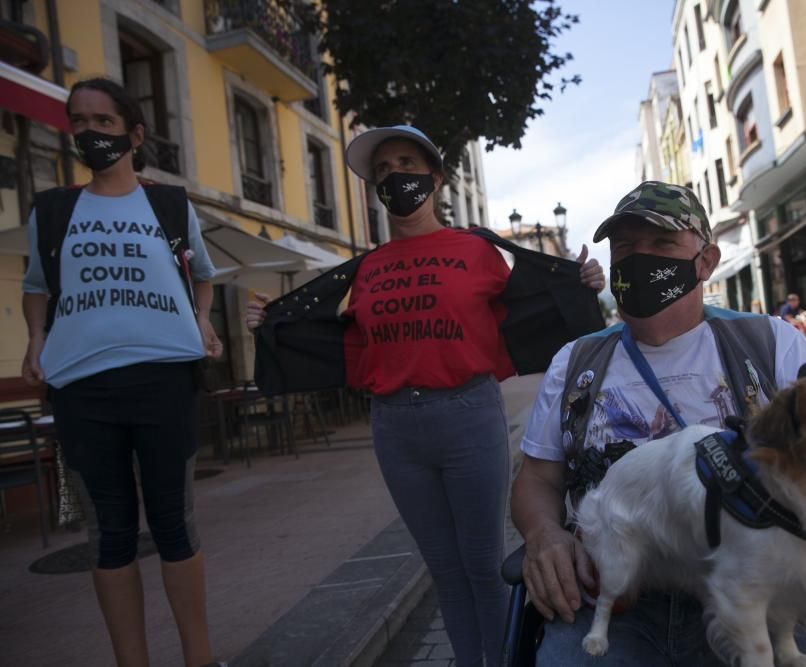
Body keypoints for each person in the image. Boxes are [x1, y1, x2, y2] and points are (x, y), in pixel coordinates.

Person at [245, 125, 605, 667]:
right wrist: (270, 325)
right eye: (383, 171)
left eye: (406, 164)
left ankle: (502, 660)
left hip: (468, 417)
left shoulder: (478, 249)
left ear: (435, 178)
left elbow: (534, 302)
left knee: (482, 565)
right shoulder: (366, 269)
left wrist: (584, 283)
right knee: (443, 569)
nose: (395, 177)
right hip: (395, 428)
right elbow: (339, 340)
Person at [510, 182, 806, 665]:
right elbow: (536, 479)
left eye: (662, 244)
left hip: (758, 588)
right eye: (627, 247)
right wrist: (543, 535)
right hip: (618, 592)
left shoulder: (771, 344)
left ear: (706, 261)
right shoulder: (576, 362)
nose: (640, 258)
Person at [20, 78, 223, 666]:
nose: (89, 132)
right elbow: (37, 286)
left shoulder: (168, 205)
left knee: (174, 526)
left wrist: (204, 321)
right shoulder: (52, 210)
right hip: (81, 389)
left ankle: (199, 659)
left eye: (103, 122)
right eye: (78, 121)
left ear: (134, 134)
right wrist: (35, 338)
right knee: (107, 535)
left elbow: (202, 273)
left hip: (164, 380)